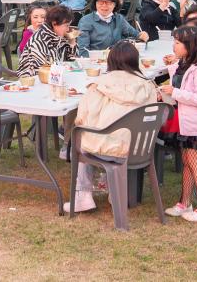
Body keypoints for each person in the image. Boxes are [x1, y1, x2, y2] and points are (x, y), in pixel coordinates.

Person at [65, 42, 159, 214]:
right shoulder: (148, 85)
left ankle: (83, 194)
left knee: (80, 136)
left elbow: (84, 118)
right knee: (95, 135)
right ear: (134, 61)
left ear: (110, 61)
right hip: (141, 147)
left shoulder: (100, 84)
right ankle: (112, 188)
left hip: (110, 148)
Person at [159, 25, 197, 223]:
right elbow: (180, 78)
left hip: (196, 125)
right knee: (187, 162)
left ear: (190, 47)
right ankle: (185, 203)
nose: (174, 46)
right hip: (187, 123)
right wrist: (172, 64)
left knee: (194, 164)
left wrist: (173, 93)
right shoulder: (185, 64)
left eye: (177, 43)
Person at [77, 0, 146, 56]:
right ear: (95, 4)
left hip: (118, 59)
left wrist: (141, 35)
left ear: (115, 4)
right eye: (101, 2)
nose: (104, 5)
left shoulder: (118, 18)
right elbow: (83, 52)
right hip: (96, 62)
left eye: (109, 2)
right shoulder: (86, 21)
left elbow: (135, 34)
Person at [16, 4, 77, 77]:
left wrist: (72, 42)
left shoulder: (57, 36)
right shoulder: (40, 40)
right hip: (33, 81)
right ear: (54, 23)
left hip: (55, 78)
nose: (68, 29)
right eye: (66, 25)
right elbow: (44, 70)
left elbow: (72, 62)